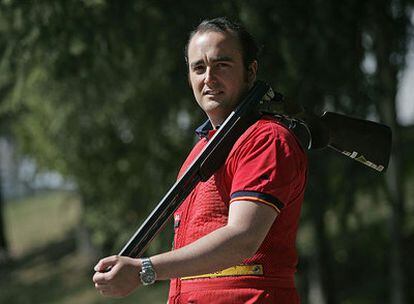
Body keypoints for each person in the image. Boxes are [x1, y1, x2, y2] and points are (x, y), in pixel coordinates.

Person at [93, 17, 308, 304]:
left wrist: (145, 269)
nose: (208, 77)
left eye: (222, 64)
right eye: (199, 68)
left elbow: (242, 237)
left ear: (250, 71)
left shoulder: (266, 138)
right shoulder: (200, 151)